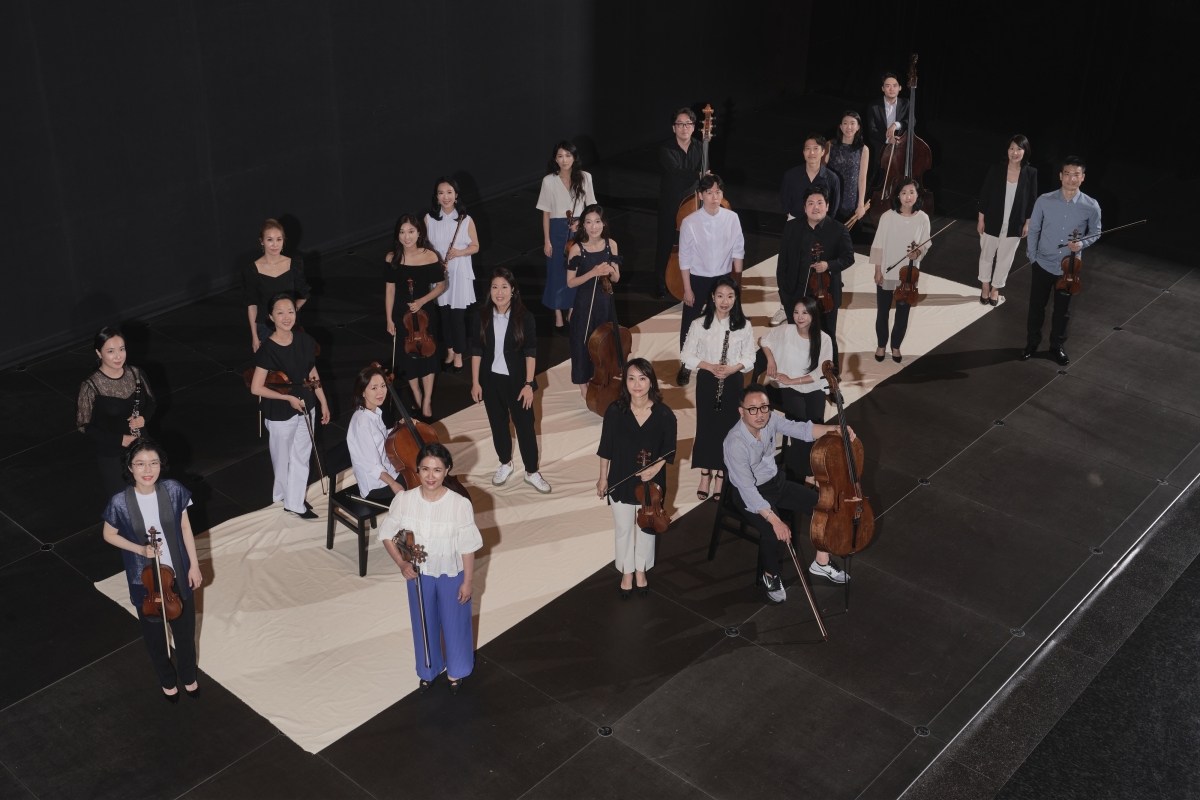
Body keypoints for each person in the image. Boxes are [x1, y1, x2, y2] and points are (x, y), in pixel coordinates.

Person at [723, 386, 852, 603]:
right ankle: (770, 576)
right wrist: (776, 521)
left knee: (825, 508)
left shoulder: (770, 419)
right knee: (772, 534)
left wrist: (835, 429)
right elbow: (748, 491)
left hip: (776, 483)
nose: (759, 414)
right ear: (741, 411)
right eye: (752, 409)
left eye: (763, 407)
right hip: (749, 494)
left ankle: (821, 562)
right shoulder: (734, 443)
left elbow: (802, 430)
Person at [100, 438, 203, 702]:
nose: (148, 470)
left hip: (179, 572)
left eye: (154, 463)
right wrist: (139, 549)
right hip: (145, 581)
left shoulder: (173, 490)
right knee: (155, 638)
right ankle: (167, 680)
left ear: (161, 465)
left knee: (185, 632)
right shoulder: (120, 502)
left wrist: (194, 565)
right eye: (140, 464)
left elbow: (185, 528)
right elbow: (108, 534)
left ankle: (188, 676)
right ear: (130, 467)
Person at [379, 442, 482, 694]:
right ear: (418, 470)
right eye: (425, 469)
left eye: (437, 470)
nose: (430, 476)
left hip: (452, 573)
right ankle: (428, 669)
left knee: (455, 622)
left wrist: (468, 581)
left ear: (447, 470)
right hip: (418, 574)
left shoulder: (459, 504)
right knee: (423, 623)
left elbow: (467, 547)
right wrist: (401, 562)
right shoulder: (405, 500)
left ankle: (457, 671)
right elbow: (387, 533)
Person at [596, 359, 677, 599]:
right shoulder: (614, 411)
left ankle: (641, 570)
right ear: (625, 382)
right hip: (620, 477)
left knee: (647, 527)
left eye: (642, 378)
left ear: (651, 381)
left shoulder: (664, 414)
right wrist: (602, 478)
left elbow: (670, 449)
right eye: (631, 378)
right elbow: (606, 447)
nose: (637, 384)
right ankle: (626, 572)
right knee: (623, 528)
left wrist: (656, 467)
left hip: (651, 483)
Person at [470, 268, 551, 494]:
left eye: (504, 287)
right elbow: (476, 349)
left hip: (518, 383)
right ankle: (505, 463)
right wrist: (475, 382)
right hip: (490, 381)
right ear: (489, 291)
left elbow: (531, 352)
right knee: (498, 425)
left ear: (513, 290)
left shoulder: (525, 317)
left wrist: (528, 384)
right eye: (495, 287)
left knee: (525, 428)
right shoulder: (481, 315)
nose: (499, 292)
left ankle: (532, 471)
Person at [249, 294, 330, 518]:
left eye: (291, 312)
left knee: (302, 456)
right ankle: (282, 496)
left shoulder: (305, 340)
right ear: (271, 316)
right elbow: (256, 388)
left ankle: (294, 501)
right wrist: (287, 399)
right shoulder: (267, 349)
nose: (286, 317)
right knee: (282, 458)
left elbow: (312, 373)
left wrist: (323, 401)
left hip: (306, 404)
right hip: (280, 411)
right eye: (280, 312)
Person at [680, 276, 755, 502]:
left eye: (730, 296)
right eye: (720, 296)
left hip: (732, 381)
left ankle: (722, 474)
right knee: (706, 426)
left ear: (736, 298)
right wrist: (708, 366)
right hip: (708, 379)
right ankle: (705, 474)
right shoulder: (699, 324)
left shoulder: (744, 325)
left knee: (728, 428)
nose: (725, 301)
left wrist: (733, 368)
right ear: (712, 297)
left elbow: (750, 357)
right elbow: (686, 355)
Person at [1021, 157, 1101, 366]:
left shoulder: (1091, 206)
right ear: (1060, 176)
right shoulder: (1044, 200)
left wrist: (1081, 244)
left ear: (1082, 177)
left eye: (1076, 175)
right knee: (1036, 307)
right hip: (1042, 263)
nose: (1071, 178)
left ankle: (1057, 346)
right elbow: (1034, 229)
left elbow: (1096, 232)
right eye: (1067, 174)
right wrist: (1032, 256)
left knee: (1062, 312)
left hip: (1069, 268)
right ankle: (1031, 343)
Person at [777, 185, 856, 375]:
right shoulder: (792, 227)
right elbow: (783, 263)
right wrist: (784, 294)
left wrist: (829, 265)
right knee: (797, 335)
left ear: (827, 206)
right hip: (795, 293)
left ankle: (832, 376)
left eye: (820, 203)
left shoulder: (838, 229)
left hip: (825, 296)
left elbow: (848, 258)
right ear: (804, 207)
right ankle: (798, 371)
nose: (815, 207)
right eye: (811, 203)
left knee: (827, 336)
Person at [676, 174, 744, 385]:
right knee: (690, 322)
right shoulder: (690, 221)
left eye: (718, 192)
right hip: (698, 278)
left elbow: (738, 250)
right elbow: (684, 257)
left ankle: (723, 360)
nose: (714, 197)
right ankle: (686, 364)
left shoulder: (732, 218)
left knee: (724, 320)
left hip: (723, 278)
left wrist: (737, 282)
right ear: (700, 195)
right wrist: (687, 288)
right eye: (709, 192)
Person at [78, 327, 156, 498]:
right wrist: (120, 439)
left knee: (150, 499)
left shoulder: (136, 374)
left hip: (142, 448)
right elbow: (84, 426)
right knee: (125, 503)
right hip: (113, 454)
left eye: (122, 349)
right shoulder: (91, 387)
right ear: (98, 353)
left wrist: (143, 418)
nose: (118, 356)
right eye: (111, 351)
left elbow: (151, 403)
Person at [761, 296, 831, 481]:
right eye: (796, 312)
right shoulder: (786, 330)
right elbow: (764, 340)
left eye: (805, 313)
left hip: (811, 384)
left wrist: (793, 380)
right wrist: (770, 359)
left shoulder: (824, 339)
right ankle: (806, 471)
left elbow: (820, 372)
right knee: (799, 420)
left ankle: (808, 465)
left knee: (816, 420)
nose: (800, 317)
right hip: (786, 386)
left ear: (814, 315)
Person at [385, 213, 447, 418]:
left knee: (428, 356)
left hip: (424, 312)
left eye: (411, 231)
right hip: (401, 314)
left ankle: (427, 399)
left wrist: (421, 301)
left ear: (419, 232)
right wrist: (389, 318)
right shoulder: (392, 258)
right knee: (407, 358)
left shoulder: (430, 256)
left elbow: (441, 286)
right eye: (402, 232)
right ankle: (416, 393)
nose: (407, 237)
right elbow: (390, 290)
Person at [537, 141, 596, 332]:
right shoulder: (549, 181)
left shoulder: (585, 177)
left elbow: (591, 206)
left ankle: (572, 309)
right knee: (556, 271)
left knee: (577, 269)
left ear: (574, 157)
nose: (564, 160)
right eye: (560, 156)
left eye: (568, 155)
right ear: (555, 159)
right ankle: (557, 313)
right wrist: (547, 240)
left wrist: (582, 222)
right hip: (556, 229)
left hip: (580, 229)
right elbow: (546, 212)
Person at [870, 177, 931, 363]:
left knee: (903, 314)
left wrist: (917, 252)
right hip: (887, 271)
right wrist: (878, 270)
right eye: (904, 192)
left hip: (908, 276)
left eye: (912, 192)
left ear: (917, 195)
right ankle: (881, 345)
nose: (908, 196)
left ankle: (896, 346)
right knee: (882, 312)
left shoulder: (923, 218)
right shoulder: (887, 217)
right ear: (898, 195)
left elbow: (925, 244)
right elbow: (878, 244)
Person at [566, 204, 623, 397]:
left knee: (605, 342)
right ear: (583, 225)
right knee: (582, 342)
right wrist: (592, 273)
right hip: (584, 302)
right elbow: (570, 282)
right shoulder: (577, 249)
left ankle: (603, 376)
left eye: (597, 222)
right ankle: (583, 384)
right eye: (588, 222)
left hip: (605, 301)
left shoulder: (611, 244)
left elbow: (616, 278)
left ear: (603, 223)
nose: (593, 227)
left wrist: (611, 270)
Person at [425, 177, 479, 373]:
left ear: (456, 195)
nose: (445, 197)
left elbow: (475, 246)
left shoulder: (466, 220)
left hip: (459, 275)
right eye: (441, 193)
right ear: (436, 196)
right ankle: (449, 351)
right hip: (439, 273)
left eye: (449, 192)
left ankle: (458, 354)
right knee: (444, 316)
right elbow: (425, 245)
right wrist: (434, 259)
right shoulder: (429, 219)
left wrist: (460, 252)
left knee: (457, 319)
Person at [977, 135, 1038, 306]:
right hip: (992, 220)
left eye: (1019, 149)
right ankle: (985, 286)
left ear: (1025, 152)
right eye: (1012, 148)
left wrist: (1027, 223)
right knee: (986, 255)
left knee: (1005, 259)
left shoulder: (1031, 173)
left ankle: (996, 288)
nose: (1015, 152)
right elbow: (985, 195)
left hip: (1015, 224)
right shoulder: (997, 169)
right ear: (1007, 150)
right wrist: (981, 219)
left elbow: (1032, 200)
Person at [653, 107, 705, 299]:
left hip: (693, 201)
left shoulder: (701, 147)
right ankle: (660, 280)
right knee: (666, 241)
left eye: (688, 124)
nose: (684, 128)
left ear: (694, 127)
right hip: (671, 201)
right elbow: (676, 171)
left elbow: (705, 174)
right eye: (680, 124)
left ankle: (692, 279)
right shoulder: (666, 149)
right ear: (673, 128)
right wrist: (698, 175)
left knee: (694, 243)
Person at [242, 219, 309, 353]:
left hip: (289, 324)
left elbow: (303, 295)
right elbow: (252, 305)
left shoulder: (294, 264)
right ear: (262, 241)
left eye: (279, 239)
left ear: (283, 241)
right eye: (270, 240)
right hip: (265, 326)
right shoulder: (252, 270)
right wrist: (254, 337)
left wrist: (289, 313)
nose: (275, 244)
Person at [347, 364, 405, 504]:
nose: (381, 392)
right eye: (374, 388)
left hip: (389, 470)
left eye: (383, 386)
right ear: (362, 392)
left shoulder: (373, 412)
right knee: (423, 483)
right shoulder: (362, 423)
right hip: (377, 485)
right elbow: (372, 467)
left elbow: (381, 438)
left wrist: (400, 427)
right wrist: (393, 484)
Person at [780, 134, 842, 223]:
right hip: (795, 222)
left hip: (821, 224)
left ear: (823, 152)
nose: (811, 152)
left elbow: (834, 207)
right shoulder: (790, 175)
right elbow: (785, 203)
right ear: (803, 152)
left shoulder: (832, 178)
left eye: (816, 148)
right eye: (808, 148)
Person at [865, 72, 912, 189]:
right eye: (888, 86)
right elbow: (872, 131)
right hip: (878, 147)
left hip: (900, 148)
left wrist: (896, 124)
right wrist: (888, 139)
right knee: (872, 178)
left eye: (895, 85)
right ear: (883, 88)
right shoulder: (873, 106)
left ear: (900, 88)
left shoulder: (906, 103)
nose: (891, 89)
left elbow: (912, 122)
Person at [825, 112, 869, 225]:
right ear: (840, 126)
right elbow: (821, 172)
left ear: (858, 127)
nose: (849, 127)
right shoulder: (830, 144)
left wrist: (861, 204)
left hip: (851, 200)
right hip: (831, 195)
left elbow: (862, 178)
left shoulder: (863, 149)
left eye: (852, 123)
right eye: (845, 123)